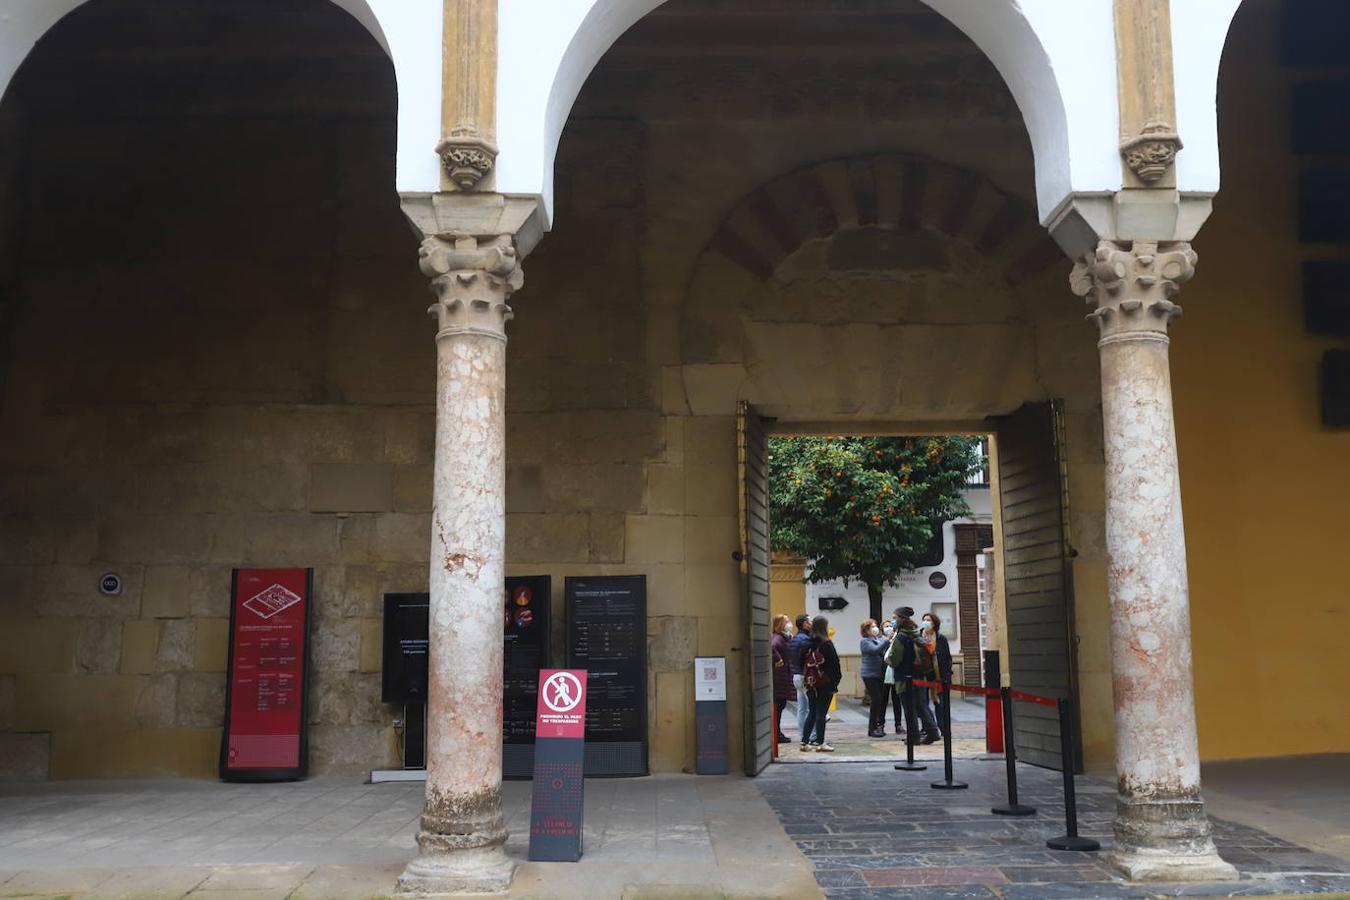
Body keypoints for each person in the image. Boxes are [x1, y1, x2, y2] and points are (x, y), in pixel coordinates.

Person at [885, 607, 941, 744]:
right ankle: (933, 731)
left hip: (904, 677)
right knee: (921, 705)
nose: (893, 621)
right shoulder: (916, 633)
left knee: (909, 708)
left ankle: (913, 736)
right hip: (919, 675)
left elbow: (894, 659)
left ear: (902, 619)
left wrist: (887, 658)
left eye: (895, 617)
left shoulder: (901, 637)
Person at [800, 615, 841, 751]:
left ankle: (804, 742)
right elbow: (835, 665)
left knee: (812, 711)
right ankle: (820, 742)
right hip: (825, 682)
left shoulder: (808, 643)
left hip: (811, 682)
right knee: (821, 713)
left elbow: (801, 661)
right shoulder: (826, 643)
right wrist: (835, 681)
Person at [858, 619, 891, 738]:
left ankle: (877, 726)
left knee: (880, 700)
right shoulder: (865, 642)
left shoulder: (878, 639)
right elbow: (875, 650)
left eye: (875, 626)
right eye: (872, 627)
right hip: (869, 675)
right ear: (866, 630)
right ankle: (872, 728)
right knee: (876, 699)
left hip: (878, 674)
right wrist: (887, 640)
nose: (875, 628)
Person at [923, 611, 954, 732]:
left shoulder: (941, 639)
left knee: (940, 704)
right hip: (924, 675)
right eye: (924, 620)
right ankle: (929, 727)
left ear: (934, 623)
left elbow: (947, 657)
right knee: (923, 704)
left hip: (939, 675)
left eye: (929, 620)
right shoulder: (920, 637)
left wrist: (946, 673)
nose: (926, 622)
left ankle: (944, 728)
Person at [787, 613, 813, 740]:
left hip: (796, 675)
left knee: (802, 708)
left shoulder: (794, 639)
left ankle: (803, 734)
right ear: (805, 623)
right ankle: (812, 735)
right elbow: (807, 659)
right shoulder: (805, 640)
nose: (812, 623)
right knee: (812, 708)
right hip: (804, 676)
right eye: (810, 621)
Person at [771, 614, 795, 743]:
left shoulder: (784, 638)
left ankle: (777, 732)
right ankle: (777, 733)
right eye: (786, 621)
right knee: (778, 707)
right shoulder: (778, 638)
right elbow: (772, 646)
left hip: (782, 678)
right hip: (779, 679)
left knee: (780, 706)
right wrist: (778, 659)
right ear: (779, 624)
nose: (789, 624)